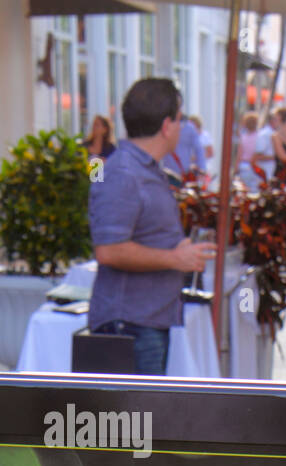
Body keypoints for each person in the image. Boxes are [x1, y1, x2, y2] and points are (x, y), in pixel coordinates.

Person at [88, 78, 215, 375]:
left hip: (145, 321)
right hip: (130, 326)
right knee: (132, 421)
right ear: (167, 125)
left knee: (142, 419)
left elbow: (139, 235)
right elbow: (108, 251)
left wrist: (177, 248)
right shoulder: (123, 173)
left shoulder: (144, 169)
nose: (182, 128)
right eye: (180, 119)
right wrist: (174, 258)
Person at [163, 106, 207, 184]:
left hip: (183, 175)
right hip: (167, 175)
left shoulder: (189, 128)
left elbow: (199, 150)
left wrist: (202, 170)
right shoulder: (164, 127)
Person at [236, 112, 262, 188]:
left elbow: (239, 154)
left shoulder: (243, 137)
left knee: (245, 189)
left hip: (244, 165)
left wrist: (236, 168)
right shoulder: (260, 136)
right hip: (257, 165)